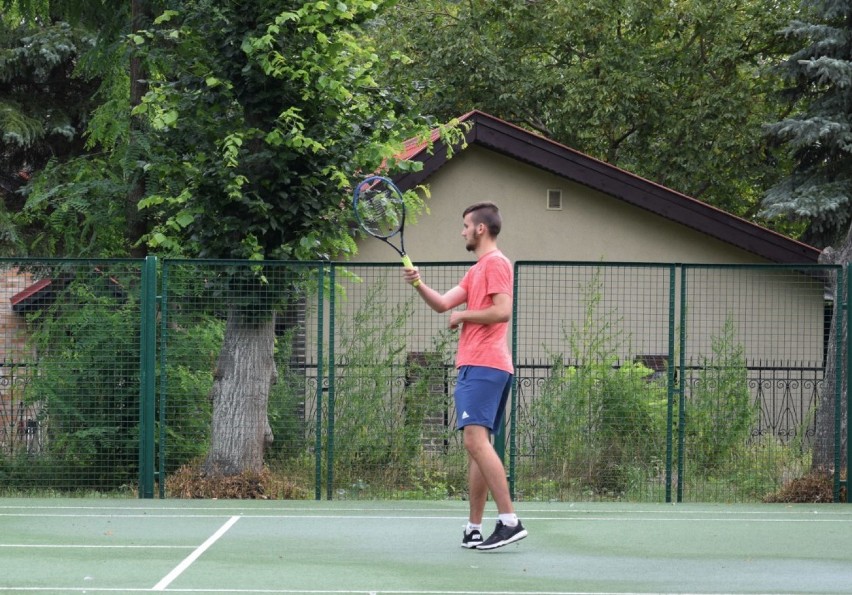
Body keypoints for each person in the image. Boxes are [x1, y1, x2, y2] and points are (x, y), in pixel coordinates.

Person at [403, 201, 527, 551]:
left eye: (465, 226)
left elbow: (502, 311)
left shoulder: (497, 264)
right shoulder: (477, 271)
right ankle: (474, 527)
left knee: (474, 442)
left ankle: (509, 521)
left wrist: (464, 316)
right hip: (478, 365)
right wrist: (418, 284)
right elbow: (443, 303)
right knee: (477, 448)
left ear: (480, 229)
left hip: (486, 364)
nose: (462, 231)